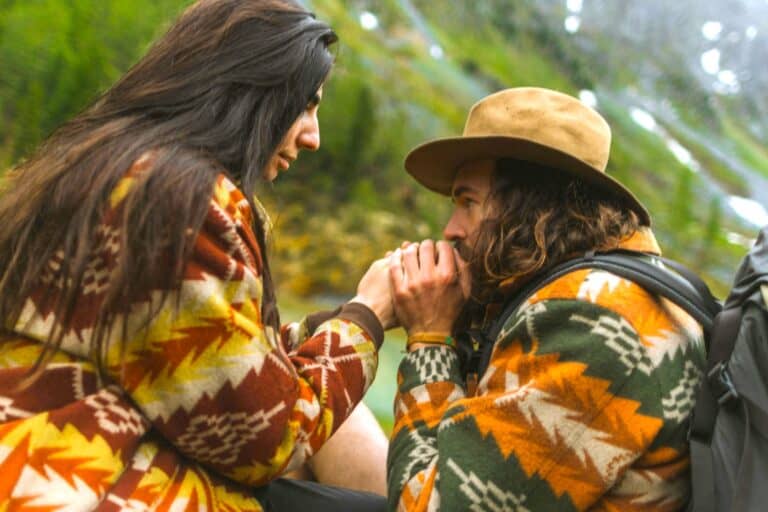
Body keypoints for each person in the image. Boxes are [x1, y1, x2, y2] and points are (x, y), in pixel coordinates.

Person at [0, 1, 392, 510]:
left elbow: (193, 359)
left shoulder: (100, 163)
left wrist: (326, 326)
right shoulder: (181, 200)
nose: (313, 136)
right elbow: (265, 439)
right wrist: (368, 318)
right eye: (305, 105)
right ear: (252, 90)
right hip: (81, 482)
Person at [386, 87, 706, 510]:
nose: (451, 229)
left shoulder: (595, 324)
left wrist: (431, 337)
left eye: (468, 202)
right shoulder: (598, 291)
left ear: (529, 205)